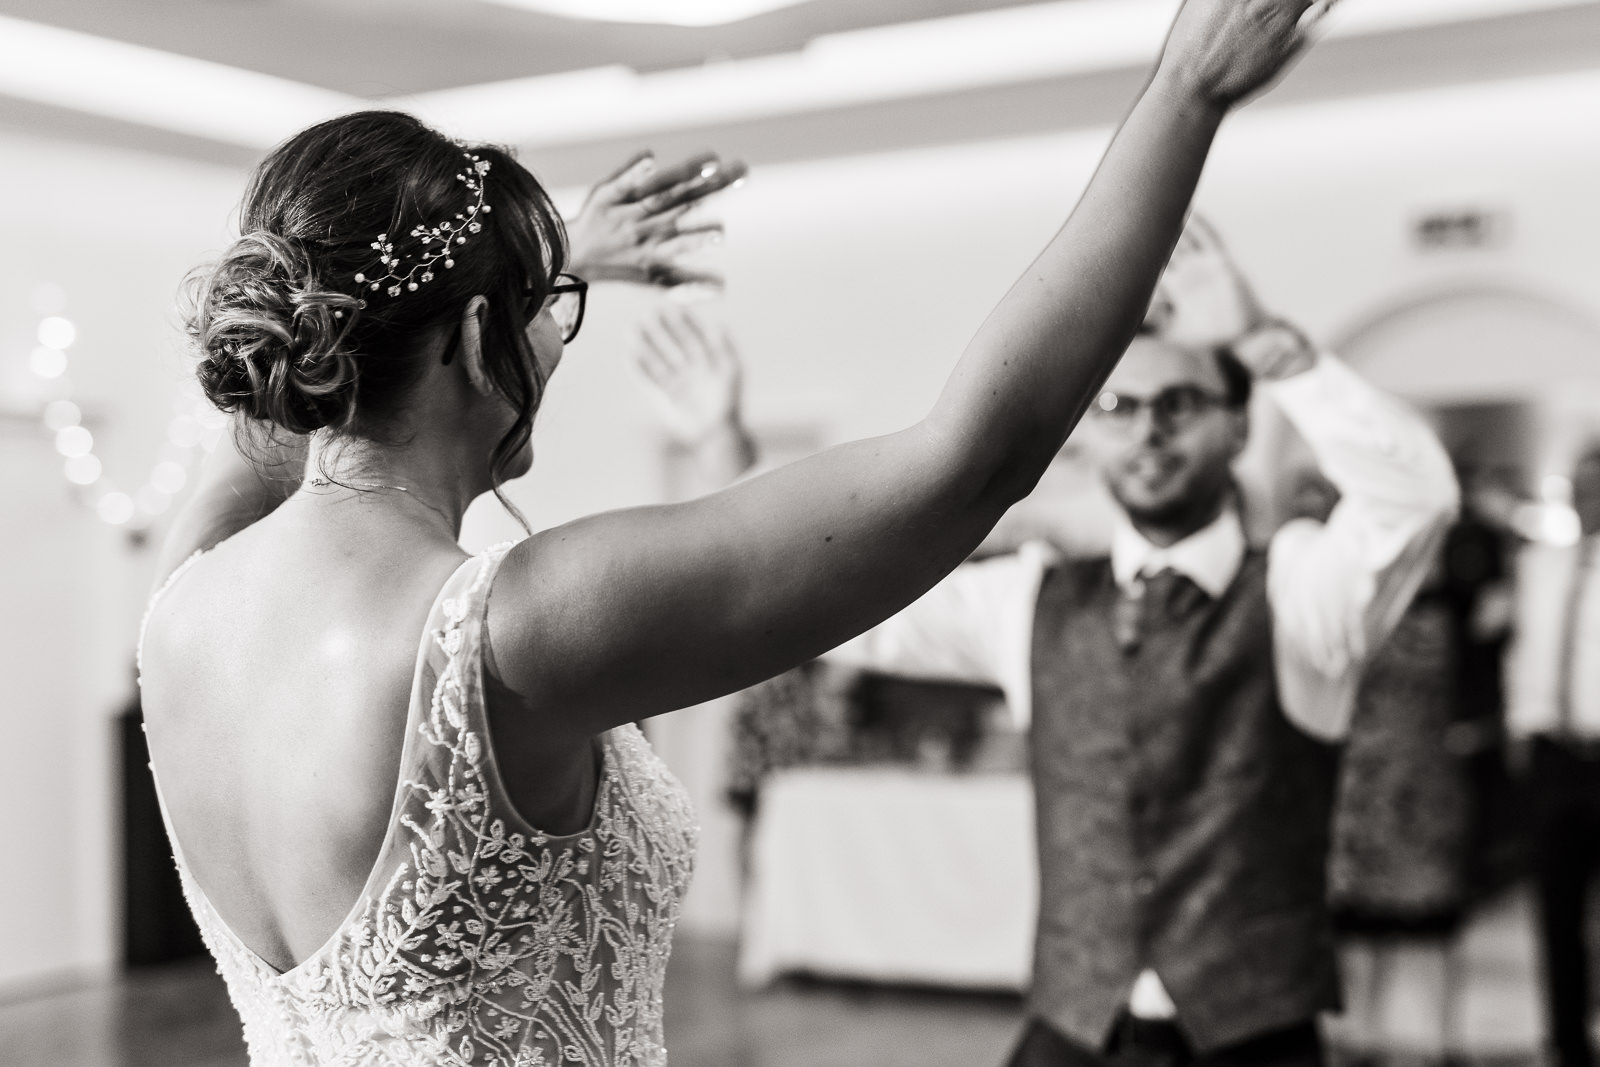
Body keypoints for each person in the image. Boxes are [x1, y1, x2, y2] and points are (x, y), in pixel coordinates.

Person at [136, 7, 1326, 1063]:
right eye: (546, 317)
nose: (554, 345)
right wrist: (1184, 94)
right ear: (467, 338)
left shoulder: (182, 602)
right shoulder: (513, 627)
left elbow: (285, 409)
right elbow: (972, 462)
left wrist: (520, 276)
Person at [661, 218, 1460, 1064]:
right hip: (1072, 1031)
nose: (1148, 429)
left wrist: (1263, 341)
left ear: (1237, 428)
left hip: (1254, 1036)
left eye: (1180, 402)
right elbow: (834, 599)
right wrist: (725, 455)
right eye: (1120, 406)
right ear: (1090, 433)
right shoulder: (1029, 600)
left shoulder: (1303, 594)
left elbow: (1415, 499)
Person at [1506, 444, 1600, 1067]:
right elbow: (1525, 649)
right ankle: (1566, 1043)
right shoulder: (1539, 564)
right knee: (1556, 912)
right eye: (1578, 488)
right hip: (1552, 755)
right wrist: (1521, 729)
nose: (1585, 500)